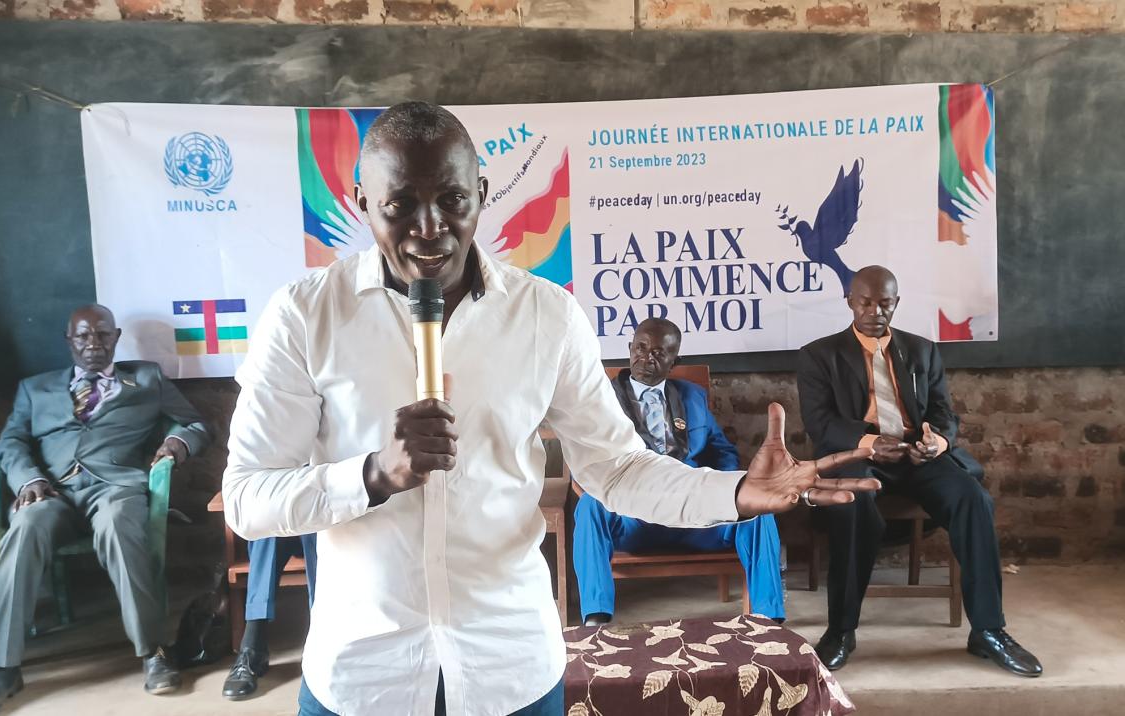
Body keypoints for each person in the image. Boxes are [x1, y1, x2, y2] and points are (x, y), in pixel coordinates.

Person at [221, 101, 878, 716]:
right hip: (362, 676)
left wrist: (734, 492)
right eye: (400, 206)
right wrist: (373, 475)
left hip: (510, 668)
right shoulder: (304, 315)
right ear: (362, 202)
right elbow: (249, 499)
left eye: (451, 200)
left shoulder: (545, 314)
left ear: (482, 192)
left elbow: (616, 469)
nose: (429, 228)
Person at [795, 265, 1042, 677]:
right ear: (850, 301)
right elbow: (821, 424)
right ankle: (841, 630)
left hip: (916, 455)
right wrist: (871, 443)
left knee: (973, 500)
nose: (875, 311)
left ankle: (988, 631)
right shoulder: (819, 355)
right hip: (859, 455)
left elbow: (944, 412)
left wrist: (937, 442)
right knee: (852, 505)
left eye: (885, 303)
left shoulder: (922, 350)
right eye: (866, 302)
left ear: (896, 303)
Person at [0, 304, 212, 712]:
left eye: (102, 334)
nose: (93, 343)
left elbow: (197, 424)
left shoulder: (146, 378)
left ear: (116, 338)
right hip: (51, 491)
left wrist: (176, 444)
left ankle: (153, 652)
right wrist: (29, 479)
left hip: (114, 488)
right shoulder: (35, 388)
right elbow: (9, 442)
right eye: (83, 335)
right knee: (24, 529)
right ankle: (3, 668)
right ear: (69, 341)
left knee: (119, 524)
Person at [574, 318, 785, 625]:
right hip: (635, 514)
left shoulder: (691, 396)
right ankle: (596, 620)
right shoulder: (601, 399)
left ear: (674, 361)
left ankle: (768, 620)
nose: (647, 357)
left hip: (694, 513)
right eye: (641, 347)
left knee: (757, 508)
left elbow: (722, 451)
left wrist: (725, 488)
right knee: (589, 505)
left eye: (659, 352)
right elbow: (584, 458)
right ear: (630, 348)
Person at [221, 534, 318, 700]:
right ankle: (253, 648)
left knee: (319, 531)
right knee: (266, 530)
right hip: (282, 529)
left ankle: (323, 642)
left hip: (320, 529)